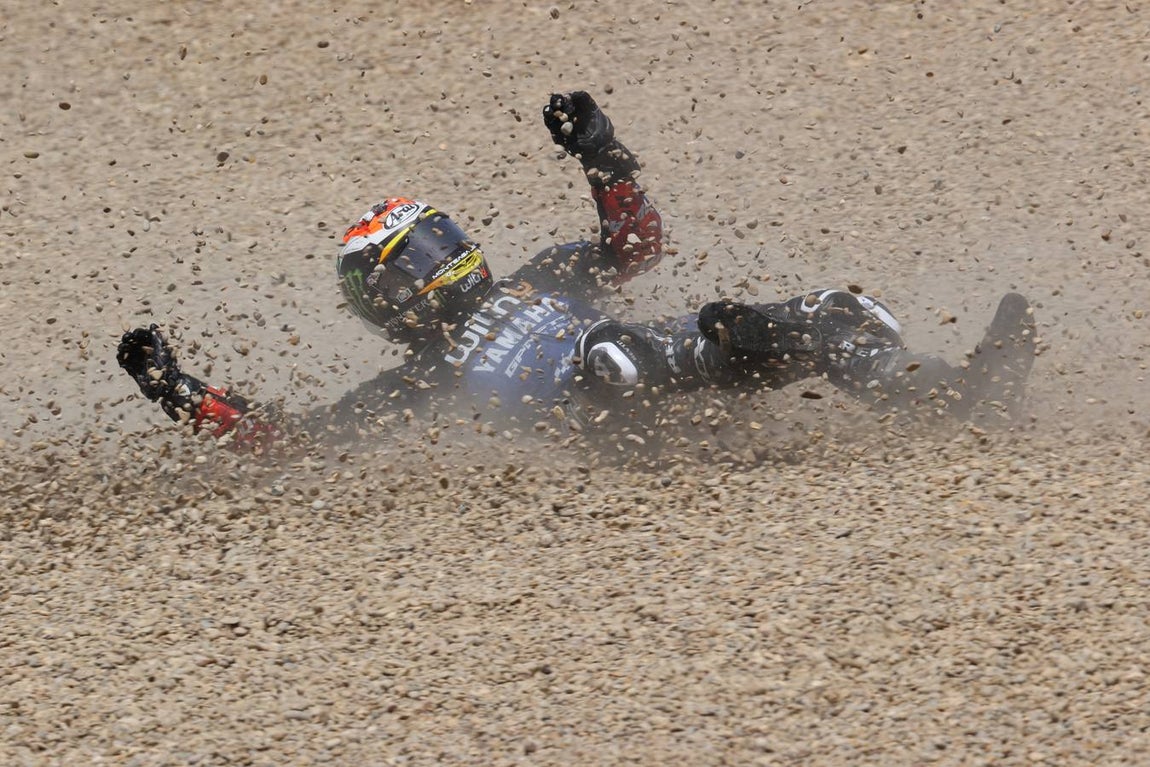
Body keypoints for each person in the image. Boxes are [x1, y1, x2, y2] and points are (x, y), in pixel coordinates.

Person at [117, 91, 1036, 452]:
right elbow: (299, 443)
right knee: (615, 356)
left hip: (671, 357)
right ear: (389, 300)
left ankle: (954, 398)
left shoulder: (543, 275)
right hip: (605, 406)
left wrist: (602, 154)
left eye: (436, 241)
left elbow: (636, 245)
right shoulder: (425, 374)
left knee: (829, 308)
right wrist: (176, 389)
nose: (438, 265)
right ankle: (713, 373)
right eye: (412, 264)